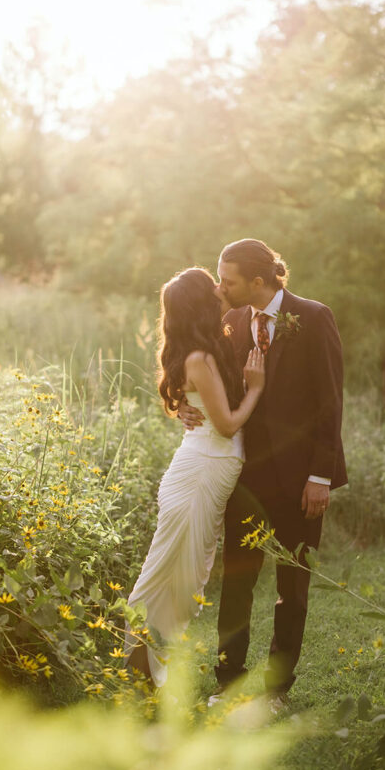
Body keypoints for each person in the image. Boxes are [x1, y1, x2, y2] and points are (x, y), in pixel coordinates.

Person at [180, 239, 347, 711]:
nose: (220, 287)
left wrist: (321, 475)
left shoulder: (314, 317)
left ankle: (276, 691)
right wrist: (181, 406)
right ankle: (227, 682)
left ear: (258, 281)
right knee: (237, 584)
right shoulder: (229, 322)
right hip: (245, 477)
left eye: (227, 279)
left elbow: (330, 401)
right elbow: (201, 375)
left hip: (300, 480)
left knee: (291, 588)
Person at [125, 266, 266, 686]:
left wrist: (181, 409)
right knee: (166, 570)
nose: (220, 289)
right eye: (213, 286)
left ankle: (142, 665)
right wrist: (256, 387)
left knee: (185, 575)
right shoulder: (200, 357)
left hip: (207, 466)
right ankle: (136, 661)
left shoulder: (206, 347)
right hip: (202, 469)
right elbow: (225, 425)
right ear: (201, 303)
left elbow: (194, 406)